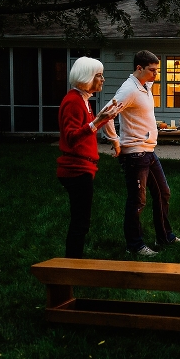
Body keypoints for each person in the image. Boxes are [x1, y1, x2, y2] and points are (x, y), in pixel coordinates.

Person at [102, 50, 180, 256]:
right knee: (138, 201)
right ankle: (135, 245)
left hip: (148, 151)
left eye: (157, 70)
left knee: (163, 192)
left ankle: (165, 236)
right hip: (135, 154)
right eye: (152, 70)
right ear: (139, 68)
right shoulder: (128, 90)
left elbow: (148, 84)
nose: (156, 75)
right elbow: (105, 115)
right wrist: (116, 142)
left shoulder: (145, 85)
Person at [57, 56, 122, 258]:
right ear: (87, 77)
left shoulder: (83, 100)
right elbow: (71, 137)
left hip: (83, 168)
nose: (103, 79)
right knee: (80, 222)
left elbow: (89, 126)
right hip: (75, 170)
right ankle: (72, 265)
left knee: (81, 220)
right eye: (99, 76)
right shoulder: (73, 102)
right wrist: (97, 122)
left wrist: (105, 119)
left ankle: (74, 262)